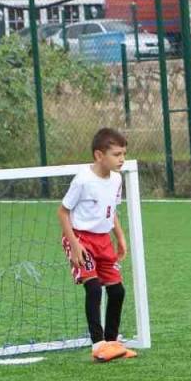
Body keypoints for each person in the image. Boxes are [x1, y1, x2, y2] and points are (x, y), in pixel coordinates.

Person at [58, 127, 136, 363]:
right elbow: (62, 212)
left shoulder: (117, 179)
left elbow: (111, 211)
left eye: (124, 154)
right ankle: (98, 345)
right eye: (116, 154)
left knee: (117, 291)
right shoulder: (83, 180)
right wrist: (74, 245)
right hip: (80, 239)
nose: (122, 159)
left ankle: (112, 343)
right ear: (99, 155)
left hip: (103, 240)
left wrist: (120, 237)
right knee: (93, 288)